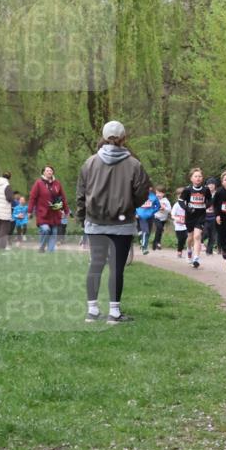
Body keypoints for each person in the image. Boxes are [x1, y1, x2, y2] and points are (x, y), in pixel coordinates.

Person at [76, 120, 150, 324]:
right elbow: (143, 193)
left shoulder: (89, 163)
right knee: (117, 267)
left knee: (95, 264)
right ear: (124, 138)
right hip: (123, 223)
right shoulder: (134, 164)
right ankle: (114, 313)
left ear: (103, 136)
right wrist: (129, 204)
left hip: (95, 221)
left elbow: (81, 194)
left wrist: (83, 218)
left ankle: (92, 311)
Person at [29, 165, 69, 253]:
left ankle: (50, 253)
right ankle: (42, 247)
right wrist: (30, 211)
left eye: (51, 170)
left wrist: (66, 210)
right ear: (43, 172)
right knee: (46, 229)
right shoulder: (38, 183)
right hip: (42, 213)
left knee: (54, 233)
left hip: (55, 213)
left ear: (53, 172)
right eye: (47, 171)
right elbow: (32, 197)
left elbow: (63, 197)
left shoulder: (57, 184)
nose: (49, 172)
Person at [181, 168, 210, 268]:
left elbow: (210, 201)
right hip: (189, 216)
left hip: (201, 216)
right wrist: (188, 208)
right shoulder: (187, 190)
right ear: (191, 179)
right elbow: (180, 201)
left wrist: (206, 206)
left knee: (197, 236)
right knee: (190, 237)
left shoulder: (206, 190)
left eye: (200, 176)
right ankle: (189, 250)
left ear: (202, 178)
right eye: (196, 176)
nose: (198, 178)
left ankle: (196, 258)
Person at [0, 171, 15, 250]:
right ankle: (1, 247)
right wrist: (12, 197)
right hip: (4, 211)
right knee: (4, 230)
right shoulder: (7, 185)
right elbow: (9, 198)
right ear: (9, 178)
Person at [135, 189, 159, 255]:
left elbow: (158, 206)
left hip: (150, 216)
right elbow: (133, 204)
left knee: (147, 232)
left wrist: (153, 211)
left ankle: (141, 238)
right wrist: (135, 213)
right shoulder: (137, 195)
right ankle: (144, 248)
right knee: (145, 231)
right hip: (141, 216)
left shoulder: (153, 197)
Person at [151, 186, 170, 250]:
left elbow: (169, 210)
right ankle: (157, 243)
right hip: (156, 217)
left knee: (159, 231)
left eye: (160, 193)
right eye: (157, 193)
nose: (158, 194)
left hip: (163, 219)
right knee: (160, 228)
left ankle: (155, 243)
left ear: (163, 194)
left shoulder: (166, 201)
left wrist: (164, 208)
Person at [171, 189, 188, 258]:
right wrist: (177, 218)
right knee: (181, 239)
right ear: (177, 196)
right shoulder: (176, 205)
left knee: (188, 237)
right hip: (178, 225)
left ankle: (189, 250)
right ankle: (179, 251)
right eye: (179, 195)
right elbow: (172, 215)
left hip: (187, 225)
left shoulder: (188, 204)